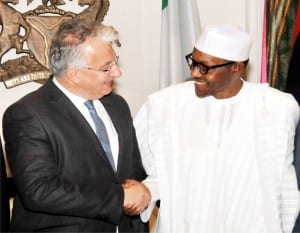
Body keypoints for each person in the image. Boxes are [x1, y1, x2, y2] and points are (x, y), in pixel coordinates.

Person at [134, 24, 300, 233]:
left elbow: (285, 181)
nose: (195, 73)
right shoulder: (164, 105)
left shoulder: (276, 108)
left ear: (236, 68)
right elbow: (152, 172)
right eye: (193, 62)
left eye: (205, 67)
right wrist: (146, 191)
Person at [2, 19, 150, 232]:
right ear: (74, 73)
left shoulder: (117, 105)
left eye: (114, 62)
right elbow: (40, 191)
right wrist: (119, 198)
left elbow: (132, 172)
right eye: (106, 67)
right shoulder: (27, 114)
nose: (117, 73)